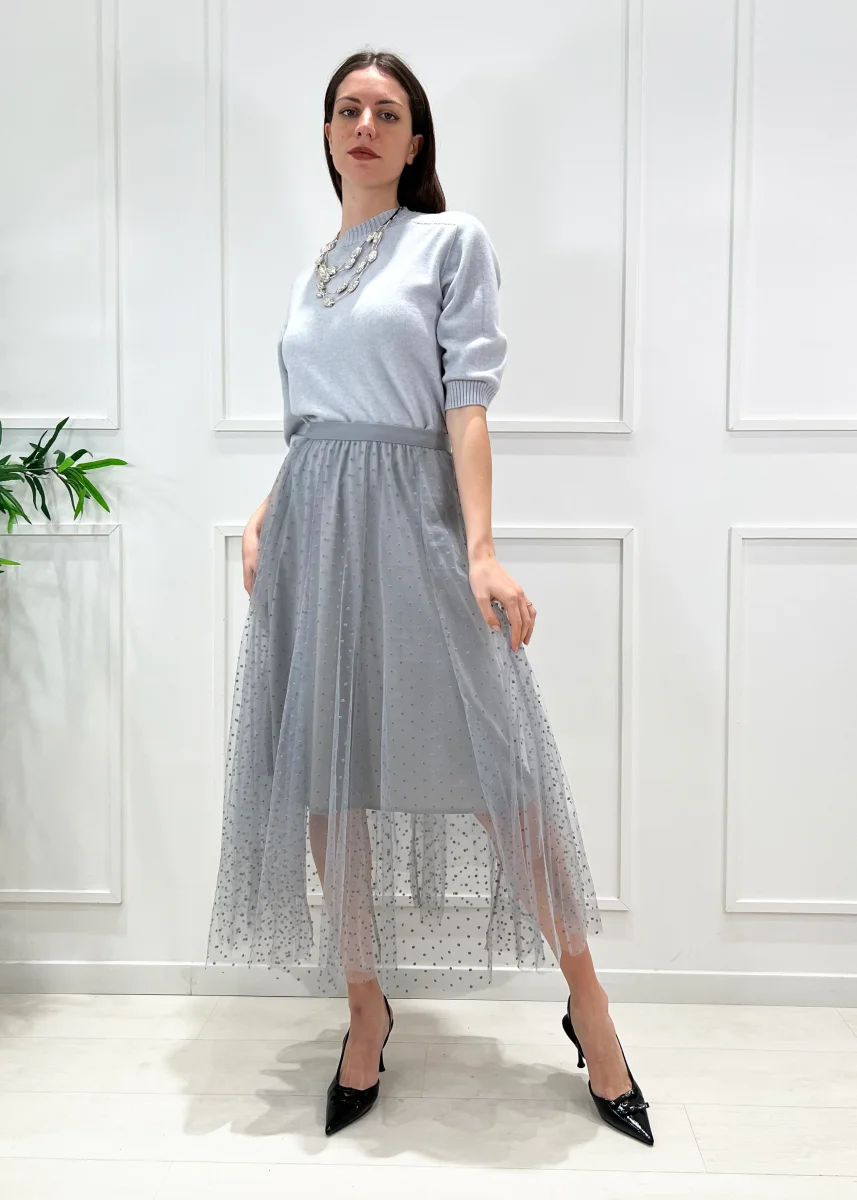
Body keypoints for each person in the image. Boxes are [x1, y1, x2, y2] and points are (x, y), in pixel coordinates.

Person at [206, 47, 652, 1148]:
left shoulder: (449, 243)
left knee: (503, 773)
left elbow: (465, 404)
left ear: (414, 142)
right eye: (347, 109)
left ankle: (590, 1008)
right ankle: (365, 1007)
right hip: (313, 531)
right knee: (328, 774)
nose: (365, 125)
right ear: (326, 134)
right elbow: (315, 421)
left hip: (413, 522)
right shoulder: (316, 269)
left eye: (387, 112)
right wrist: (267, 508)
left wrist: (482, 549)